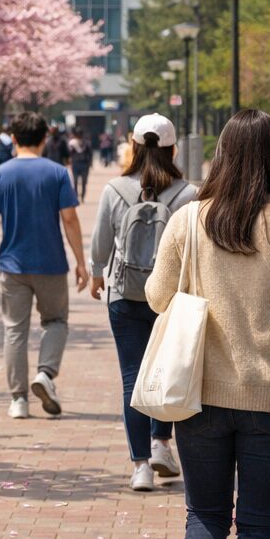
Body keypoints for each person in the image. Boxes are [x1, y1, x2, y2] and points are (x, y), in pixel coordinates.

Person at [146, 110, 270, 539]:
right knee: (260, 530)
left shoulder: (189, 219)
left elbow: (158, 297)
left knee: (206, 518)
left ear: (223, 155)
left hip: (199, 393)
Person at [90, 112, 196, 491]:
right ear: (172, 149)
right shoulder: (188, 194)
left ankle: (140, 467)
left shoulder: (115, 189)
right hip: (171, 297)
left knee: (132, 377)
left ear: (133, 147)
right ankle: (161, 444)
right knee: (167, 372)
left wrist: (95, 272)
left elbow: (101, 243)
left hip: (125, 292)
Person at [0, 111, 88, 419]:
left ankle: (18, 400)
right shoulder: (56, 173)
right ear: (45, 139)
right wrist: (81, 262)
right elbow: (69, 218)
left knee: (15, 330)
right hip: (52, 263)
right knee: (55, 322)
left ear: (13, 139)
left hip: (13, 265)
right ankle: (45, 373)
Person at [68, 128, 92, 201]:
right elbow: (69, 153)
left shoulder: (87, 143)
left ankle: (82, 197)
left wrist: (89, 163)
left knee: (83, 181)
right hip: (76, 164)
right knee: (75, 181)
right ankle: (76, 196)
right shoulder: (72, 143)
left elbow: (90, 154)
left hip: (83, 164)